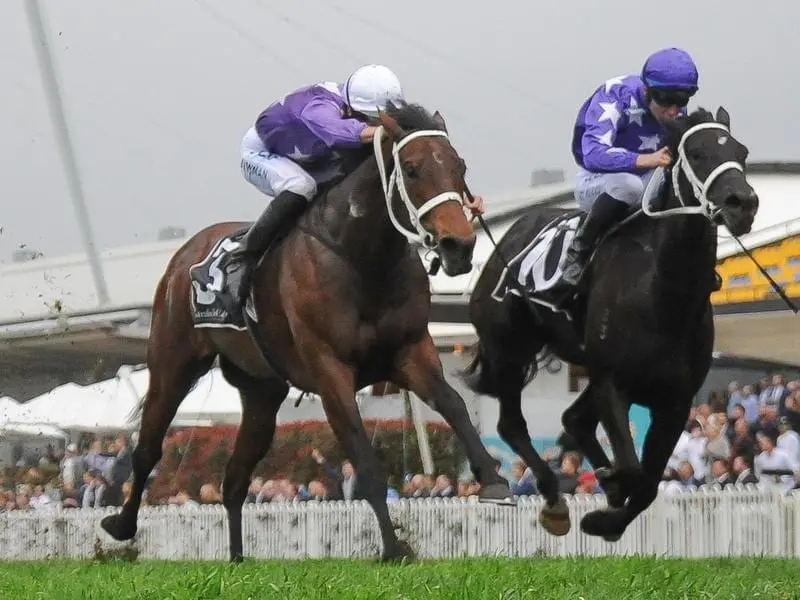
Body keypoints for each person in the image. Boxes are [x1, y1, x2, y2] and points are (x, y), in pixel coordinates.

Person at [230, 64, 406, 302]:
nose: (378, 123)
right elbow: (338, 132)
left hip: (308, 153)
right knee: (300, 186)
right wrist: (379, 132)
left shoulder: (357, 99)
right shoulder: (319, 106)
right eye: (373, 119)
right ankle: (243, 258)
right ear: (354, 107)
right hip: (263, 152)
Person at [559, 47, 700, 290]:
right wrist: (645, 160)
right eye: (666, 100)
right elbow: (593, 152)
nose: (673, 111)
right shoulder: (615, 95)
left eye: (682, 100)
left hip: (647, 185)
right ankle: (578, 252)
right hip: (599, 180)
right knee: (629, 185)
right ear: (647, 90)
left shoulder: (675, 111)